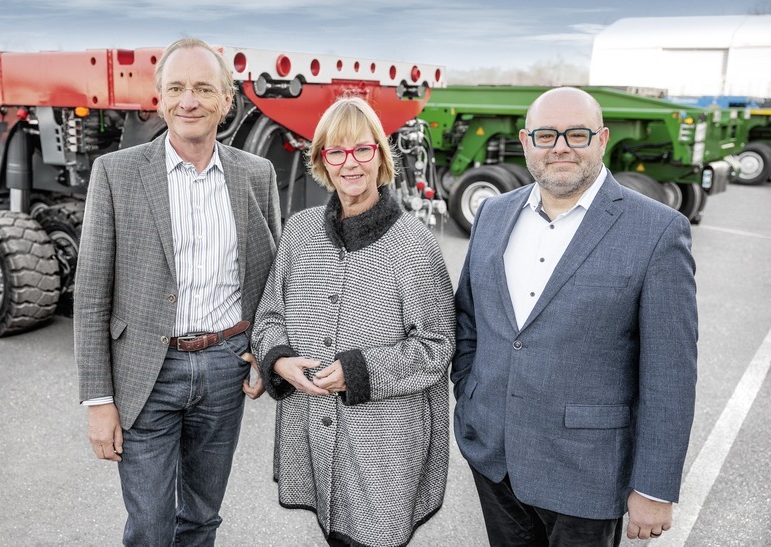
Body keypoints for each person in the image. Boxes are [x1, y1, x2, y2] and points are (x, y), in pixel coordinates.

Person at [452, 87, 698, 546]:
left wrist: (654, 486)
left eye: (577, 134)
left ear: (602, 139)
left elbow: (671, 373)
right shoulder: (493, 213)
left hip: (588, 472)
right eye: (546, 135)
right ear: (525, 142)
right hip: (493, 457)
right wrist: (470, 397)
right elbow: (468, 320)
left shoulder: (658, 230)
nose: (560, 146)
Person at [74, 38, 281, 545]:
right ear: (160, 99)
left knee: (202, 519)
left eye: (203, 88)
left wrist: (263, 352)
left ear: (226, 101)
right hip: (147, 371)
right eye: (177, 88)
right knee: (149, 526)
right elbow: (92, 293)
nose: (189, 100)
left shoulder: (257, 174)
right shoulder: (116, 173)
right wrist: (98, 400)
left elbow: (271, 279)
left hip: (225, 368)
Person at [252, 96, 455, 547]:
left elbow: (437, 346)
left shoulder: (413, 244)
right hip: (314, 429)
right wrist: (279, 360)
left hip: (383, 446)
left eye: (362, 150)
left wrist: (358, 370)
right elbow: (269, 317)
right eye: (336, 151)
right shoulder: (300, 231)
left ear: (382, 157)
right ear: (321, 159)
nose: (350, 164)